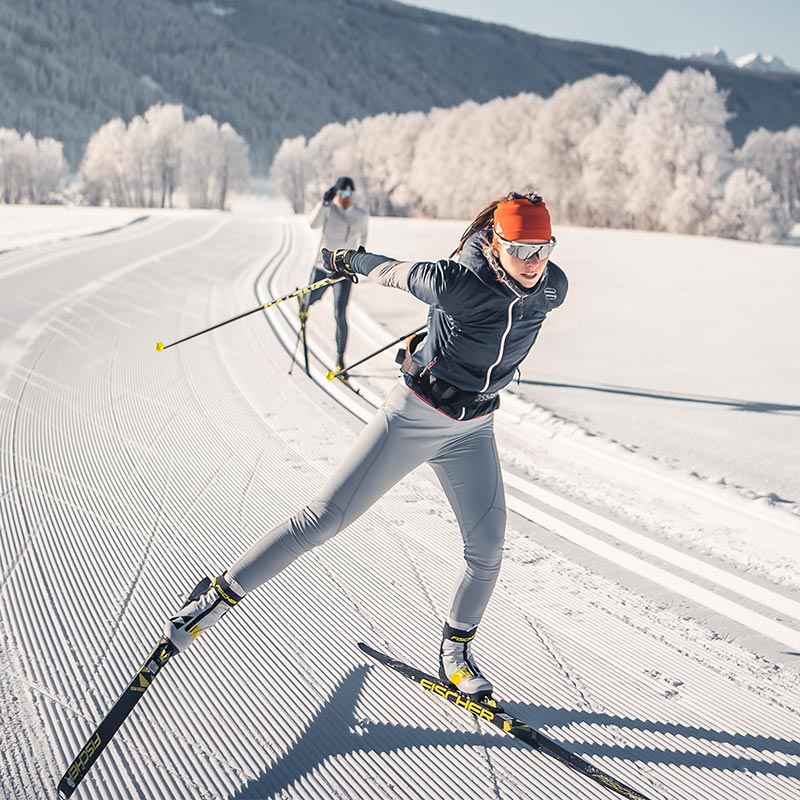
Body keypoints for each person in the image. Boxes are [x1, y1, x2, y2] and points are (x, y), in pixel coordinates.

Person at [165, 192, 568, 701]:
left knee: (486, 550)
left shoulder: (553, 288)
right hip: (416, 417)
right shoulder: (456, 282)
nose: (533, 263)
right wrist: (343, 261)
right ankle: (216, 596)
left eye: (543, 248)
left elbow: (507, 327)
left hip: (474, 429)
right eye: (521, 249)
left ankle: (455, 654)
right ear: (495, 242)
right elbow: (393, 271)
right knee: (324, 519)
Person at [299, 176, 369, 372]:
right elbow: (312, 224)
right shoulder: (329, 210)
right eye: (343, 194)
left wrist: (362, 253)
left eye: (350, 194)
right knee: (311, 298)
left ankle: (340, 360)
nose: (347, 198)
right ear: (337, 194)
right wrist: (323, 204)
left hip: (344, 271)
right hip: (323, 267)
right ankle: (304, 305)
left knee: (340, 313)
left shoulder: (361, 214)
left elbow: (364, 236)